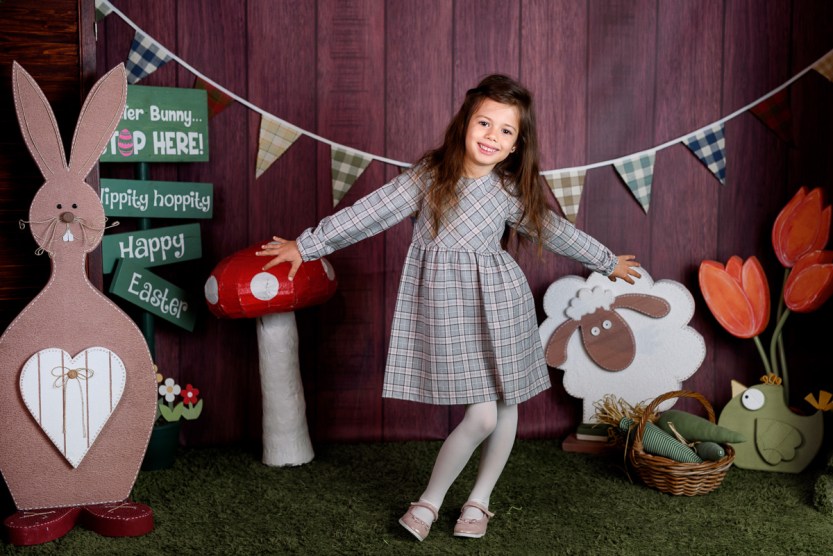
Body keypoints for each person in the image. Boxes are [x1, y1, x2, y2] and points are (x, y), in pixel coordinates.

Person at [256, 74, 641, 541]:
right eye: (484, 122)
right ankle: (430, 501)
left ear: (516, 145)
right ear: (465, 122)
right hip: (450, 307)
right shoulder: (430, 176)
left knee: (507, 403)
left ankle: (479, 500)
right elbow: (369, 212)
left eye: (506, 130)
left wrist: (605, 259)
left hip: (502, 301)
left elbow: (554, 230)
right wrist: (307, 246)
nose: (492, 136)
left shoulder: (508, 191)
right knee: (482, 415)